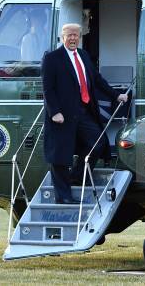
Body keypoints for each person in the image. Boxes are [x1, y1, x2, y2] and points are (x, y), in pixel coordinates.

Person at [41, 23, 128, 204]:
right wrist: (54, 112)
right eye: (69, 35)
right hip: (61, 115)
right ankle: (63, 196)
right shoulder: (52, 58)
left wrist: (115, 95)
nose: (73, 39)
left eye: (76, 35)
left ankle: (78, 175)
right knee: (60, 155)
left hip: (83, 111)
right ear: (62, 37)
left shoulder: (83, 55)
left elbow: (97, 80)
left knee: (98, 143)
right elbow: (47, 89)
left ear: (80, 37)